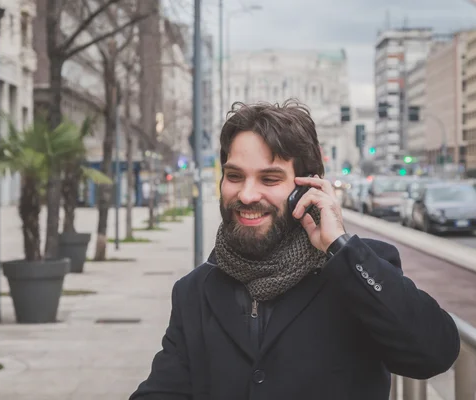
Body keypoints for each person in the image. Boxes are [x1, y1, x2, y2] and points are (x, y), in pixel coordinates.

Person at [130, 100, 459, 400]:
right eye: (234, 176)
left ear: (307, 188)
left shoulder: (358, 271)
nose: (246, 195)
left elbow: (434, 353)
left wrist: (340, 248)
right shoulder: (194, 292)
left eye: (269, 179)